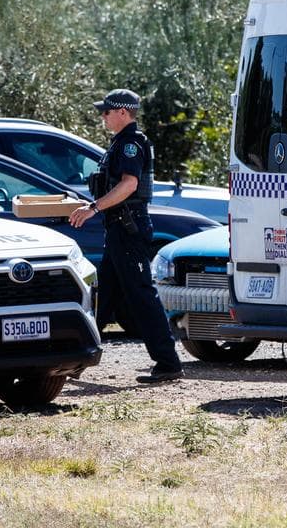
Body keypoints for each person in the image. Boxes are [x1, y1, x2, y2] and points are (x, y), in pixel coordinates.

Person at [69, 89, 183, 383]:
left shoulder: (130, 144)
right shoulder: (120, 143)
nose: (103, 117)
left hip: (128, 228)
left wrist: (93, 208)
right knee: (103, 298)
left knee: (142, 295)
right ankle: (77, 358)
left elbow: (129, 185)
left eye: (106, 112)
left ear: (122, 113)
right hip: (119, 229)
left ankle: (168, 363)